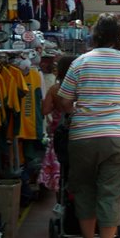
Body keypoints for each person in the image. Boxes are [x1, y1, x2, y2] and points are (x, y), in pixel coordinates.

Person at [58, 13, 120, 238]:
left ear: (95, 35)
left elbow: (64, 102)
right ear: (118, 37)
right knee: (112, 193)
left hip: (84, 137)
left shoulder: (80, 63)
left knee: (84, 190)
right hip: (119, 138)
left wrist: (83, 111)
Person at [39, 54, 76, 193]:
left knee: (60, 164)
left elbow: (45, 110)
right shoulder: (79, 88)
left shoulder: (55, 89)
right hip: (77, 129)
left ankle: (60, 199)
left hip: (59, 131)